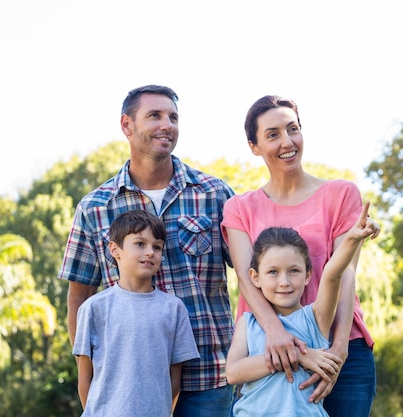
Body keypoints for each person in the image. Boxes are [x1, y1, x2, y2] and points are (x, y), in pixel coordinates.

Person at [59, 85, 235, 417]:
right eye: (154, 115)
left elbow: (255, 272)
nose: (166, 125)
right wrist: (98, 380)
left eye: (173, 117)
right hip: (131, 389)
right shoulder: (95, 207)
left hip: (213, 376)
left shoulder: (214, 193)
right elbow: (79, 295)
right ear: (127, 125)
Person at [222, 95, 380, 417]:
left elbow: (344, 274)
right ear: (254, 146)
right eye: (272, 134)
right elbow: (245, 278)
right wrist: (278, 335)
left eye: (292, 129)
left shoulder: (341, 193)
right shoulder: (240, 207)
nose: (287, 142)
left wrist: (338, 351)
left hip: (340, 345)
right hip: (268, 348)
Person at [226, 202, 377, 417]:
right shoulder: (248, 323)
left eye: (294, 271)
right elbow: (233, 373)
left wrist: (352, 239)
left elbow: (333, 274)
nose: (284, 281)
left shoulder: (316, 318)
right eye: (273, 272)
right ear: (255, 277)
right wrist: (297, 356)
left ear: (308, 275)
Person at [73, 210, 200, 416]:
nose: (150, 252)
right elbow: (84, 378)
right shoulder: (93, 308)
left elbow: (174, 380)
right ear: (115, 249)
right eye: (140, 244)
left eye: (157, 247)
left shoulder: (174, 309)